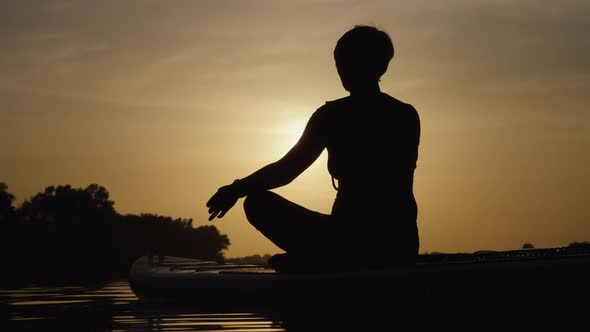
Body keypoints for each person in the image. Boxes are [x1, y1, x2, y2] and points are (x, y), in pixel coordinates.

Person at [206, 25, 420, 271]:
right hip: (399, 245)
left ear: (379, 66)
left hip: (357, 242)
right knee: (259, 202)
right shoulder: (406, 114)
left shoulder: (332, 116)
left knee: (256, 203)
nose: (342, 69)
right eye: (340, 62)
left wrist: (237, 189)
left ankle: (321, 258)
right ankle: (322, 256)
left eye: (349, 62)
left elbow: (287, 170)